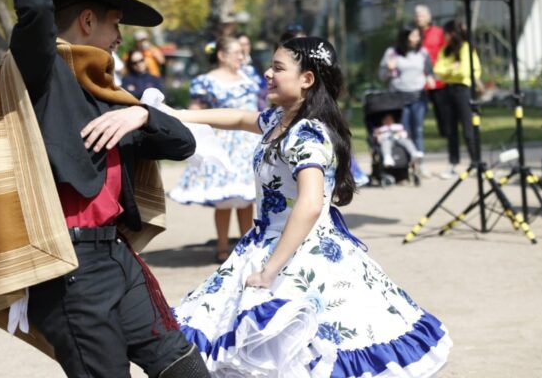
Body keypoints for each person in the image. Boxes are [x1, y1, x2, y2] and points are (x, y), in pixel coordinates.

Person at [0, 0, 208, 378]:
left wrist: (141, 116)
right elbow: (35, 12)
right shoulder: (42, 74)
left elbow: (182, 143)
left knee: (185, 370)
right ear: (87, 21)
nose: (120, 38)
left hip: (118, 258)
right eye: (115, 24)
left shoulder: (108, 92)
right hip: (70, 270)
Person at [167, 37, 452, 377]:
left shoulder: (307, 133)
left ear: (306, 79)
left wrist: (270, 270)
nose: (267, 74)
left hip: (298, 252)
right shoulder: (280, 119)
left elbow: (311, 203)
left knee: (302, 353)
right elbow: (240, 117)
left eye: (278, 68)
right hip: (265, 243)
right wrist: (179, 115)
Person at [169, 37, 260, 262]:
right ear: (222, 55)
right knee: (224, 198)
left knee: (246, 196)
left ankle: (246, 246)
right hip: (223, 142)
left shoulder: (248, 76)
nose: (241, 57)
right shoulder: (206, 81)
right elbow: (195, 110)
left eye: (242, 52)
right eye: (237, 52)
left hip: (248, 143)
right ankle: (222, 247)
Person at [379, 27, 434, 175]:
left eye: (418, 36)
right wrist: (389, 69)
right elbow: (382, 76)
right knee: (404, 132)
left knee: (418, 130)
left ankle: (420, 164)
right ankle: (405, 165)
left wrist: (430, 79)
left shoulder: (422, 52)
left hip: (418, 96)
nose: (416, 38)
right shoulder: (392, 53)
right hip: (399, 97)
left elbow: (429, 71)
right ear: (405, 37)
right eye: (413, 35)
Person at [434, 21, 481, 180]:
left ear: (453, 33)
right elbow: (438, 70)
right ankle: (453, 163)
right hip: (448, 89)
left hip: (463, 90)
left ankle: (475, 161)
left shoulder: (467, 48)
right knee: (450, 130)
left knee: (468, 129)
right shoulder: (445, 50)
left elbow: (465, 71)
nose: (444, 37)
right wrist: (452, 68)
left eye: (446, 34)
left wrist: (451, 71)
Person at [416, 5, 449, 139]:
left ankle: (446, 131)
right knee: (419, 107)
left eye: (421, 16)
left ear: (428, 17)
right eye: (417, 16)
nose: (419, 18)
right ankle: (416, 132)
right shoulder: (414, 34)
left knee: (441, 106)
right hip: (418, 77)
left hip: (436, 76)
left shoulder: (438, 32)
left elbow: (446, 51)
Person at [237, 32, 267, 109]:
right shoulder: (234, 65)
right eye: (241, 44)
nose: (244, 47)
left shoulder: (256, 62)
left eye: (246, 44)